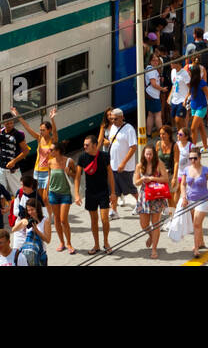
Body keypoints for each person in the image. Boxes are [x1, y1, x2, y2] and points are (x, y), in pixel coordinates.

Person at [174, 147, 208, 258]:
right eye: (190, 158)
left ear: (200, 158)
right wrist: (184, 197)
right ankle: (202, 242)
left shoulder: (206, 170)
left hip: (203, 200)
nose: (192, 161)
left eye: (195, 158)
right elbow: (183, 184)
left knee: (196, 224)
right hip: (190, 200)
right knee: (198, 223)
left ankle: (196, 249)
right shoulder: (186, 170)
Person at [75, 124, 112, 254]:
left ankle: (106, 242)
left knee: (104, 219)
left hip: (103, 192)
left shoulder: (104, 156)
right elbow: (77, 177)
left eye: (87, 145)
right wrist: (77, 194)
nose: (84, 147)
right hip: (90, 193)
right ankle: (96, 244)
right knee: (94, 220)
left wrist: (113, 193)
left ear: (95, 145)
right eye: (84, 145)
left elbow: (110, 175)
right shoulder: (82, 158)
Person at [15, 105, 58, 204]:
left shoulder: (53, 140)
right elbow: (27, 127)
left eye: (43, 130)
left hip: (48, 172)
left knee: (46, 196)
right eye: (40, 130)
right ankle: (45, 214)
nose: (41, 132)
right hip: (37, 171)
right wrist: (17, 115)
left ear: (49, 130)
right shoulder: (39, 138)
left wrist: (52, 119)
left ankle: (50, 216)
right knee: (41, 197)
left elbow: (55, 132)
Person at [133, 144, 169, 260]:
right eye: (147, 154)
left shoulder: (159, 164)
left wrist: (152, 178)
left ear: (153, 155)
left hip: (156, 196)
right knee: (144, 224)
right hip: (144, 197)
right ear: (144, 154)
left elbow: (165, 179)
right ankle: (151, 235)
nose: (148, 156)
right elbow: (135, 182)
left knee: (156, 224)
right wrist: (142, 179)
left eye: (151, 154)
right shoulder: (139, 166)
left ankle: (154, 249)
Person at [42, 142, 78, 253]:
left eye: (51, 150)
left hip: (65, 194)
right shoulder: (50, 162)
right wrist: (45, 191)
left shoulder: (69, 161)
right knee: (56, 219)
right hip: (53, 193)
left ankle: (69, 243)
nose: (49, 151)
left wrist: (70, 172)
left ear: (58, 151)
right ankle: (62, 242)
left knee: (63, 220)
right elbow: (49, 177)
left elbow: (77, 175)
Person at [0, 110, 30, 197]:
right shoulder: (0, 131)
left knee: (19, 192)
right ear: (3, 123)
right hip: (0, 167)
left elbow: (26, 151)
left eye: (11, 123)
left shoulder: (18, 134)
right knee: (1, 193)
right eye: (7, 123)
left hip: (13, 169)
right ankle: (5, 209)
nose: (9, 125)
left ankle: (22, 209)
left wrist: (14, 161)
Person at [106, 108, 139, 218]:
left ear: (121, 117)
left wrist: (123, 163)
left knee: (129, 188)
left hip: (125, 167)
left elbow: (133, 147)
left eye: (115, 119)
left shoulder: (129, 129)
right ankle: (114, 210)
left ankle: (141, 203)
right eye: (111, 119)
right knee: (114, 189)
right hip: (113, 164)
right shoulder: (112, 128)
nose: (113, 121)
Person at [188, 58, 208, 152]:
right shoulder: (191, 83)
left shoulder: (202, 83)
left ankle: (193, 148)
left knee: (193, 128)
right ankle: (205, 147)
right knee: (201, 127)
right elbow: (190, 93)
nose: (189, 73)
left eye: (190, 72)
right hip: (193, 106)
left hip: (201, 107)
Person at [157, 124, 179, 207]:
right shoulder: (158, 144)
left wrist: (174, 177)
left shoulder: (174, 146)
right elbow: (155, 159)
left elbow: (176, 162)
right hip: (160, 175)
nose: (161, 136)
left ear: (169, 134)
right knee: (160, 196)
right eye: (160, 134)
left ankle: (173, 216)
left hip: (170, 174)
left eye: (164, 134)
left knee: (170, 197)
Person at [168, 56, 191, 134]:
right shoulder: (172, 72)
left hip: (182, 100)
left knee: (179, 119)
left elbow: (190, 88)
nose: (170, 64)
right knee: (176, 121)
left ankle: (185, 135)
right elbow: (174, 85)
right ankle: (180, 135)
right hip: (175, 99)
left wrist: (186, 99)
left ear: (177, 63)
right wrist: (170, 96)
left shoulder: (184, 74)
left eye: (172, 63)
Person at [144, 51, 164, 137]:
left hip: (149, 94)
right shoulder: (151, 70)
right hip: (153, 95)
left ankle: (148, 133)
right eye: (153, 60)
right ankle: (162, 134)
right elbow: (154, 84)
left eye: (157, 60)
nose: (156, 62)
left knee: (150, 114)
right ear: (150, 61)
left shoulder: (148, 69)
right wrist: (162, 89)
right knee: (158, 115)